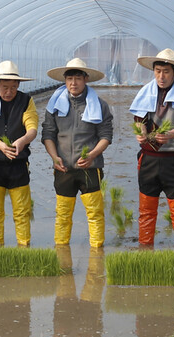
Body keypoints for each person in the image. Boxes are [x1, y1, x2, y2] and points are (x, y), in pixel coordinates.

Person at [41, 58, 113, 248]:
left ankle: (97, 253)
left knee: (95, 213)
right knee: (63, 215)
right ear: (65, 80)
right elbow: (48, 134)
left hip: (90, 168)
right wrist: (54, 157)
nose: (73, 83)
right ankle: (61, 252)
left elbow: (105, 135)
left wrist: (92, 155)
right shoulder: (54, 105)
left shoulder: (99, 105)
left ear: (86, 79)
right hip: (63, 168)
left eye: (78, 78)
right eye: (70, 78)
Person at [129, 49, 174, 249]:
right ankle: (145, 247)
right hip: (148, 159)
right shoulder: (145, 93)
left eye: (166, 71)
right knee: (147, 209)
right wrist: (140, 132)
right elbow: (139, 119)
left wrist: (169, 135)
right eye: (158, 71)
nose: (161, 76)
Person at [0, 60, 38, 247]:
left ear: (18, 85)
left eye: (13, 87)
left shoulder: (26, 101)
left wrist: (22, 141)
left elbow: (32, 127)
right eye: (4, 87)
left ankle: (24, 246)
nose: (9, 92)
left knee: (22, 210)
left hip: (18, 163)